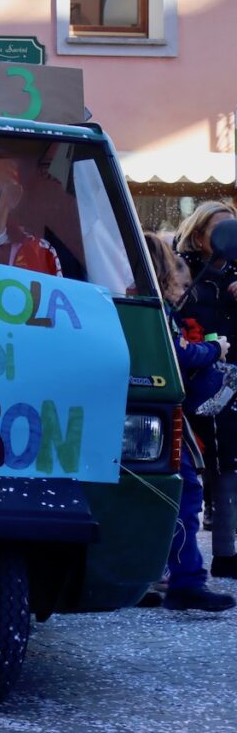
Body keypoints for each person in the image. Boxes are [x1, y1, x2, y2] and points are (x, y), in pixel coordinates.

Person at [143, 233, 235, 611]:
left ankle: (153, 576)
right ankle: (185, 581)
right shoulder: (155, 312)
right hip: (156, 417)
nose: (182, 291)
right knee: (182, 493)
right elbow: (177, 353)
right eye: (177, 283)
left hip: (149, 414)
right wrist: (216, 349)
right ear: (162, 275)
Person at [174, 202, 237, 578]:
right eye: (219, 228)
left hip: (230, 381)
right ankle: (179, 561)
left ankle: (226, 552)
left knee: (229, 459)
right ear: (198, 234)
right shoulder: (182, 272)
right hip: (191, 379)